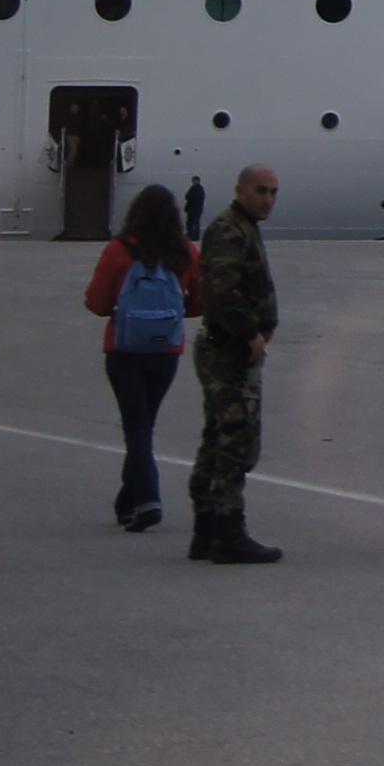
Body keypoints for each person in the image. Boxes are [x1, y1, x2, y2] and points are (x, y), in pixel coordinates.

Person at [79, 183, 199, 534]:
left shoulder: (119, 251)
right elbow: (200, 302)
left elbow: (97, 303)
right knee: (144, 425)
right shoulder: (187, 252)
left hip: (124, 351)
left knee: (137, 427)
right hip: (166, 352)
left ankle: (148, 500)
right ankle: (127, 502)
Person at [186, 162, 283, 564]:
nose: (268, 199)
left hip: (228, 348)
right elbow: (221, 290)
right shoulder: (230, 229)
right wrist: (249, 333)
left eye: (273, 192)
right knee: (235, 439)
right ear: (240, 190)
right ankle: (228, 529)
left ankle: (207, 528)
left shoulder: (242, 227)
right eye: (261, 190)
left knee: (219, 435)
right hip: (230, 350)